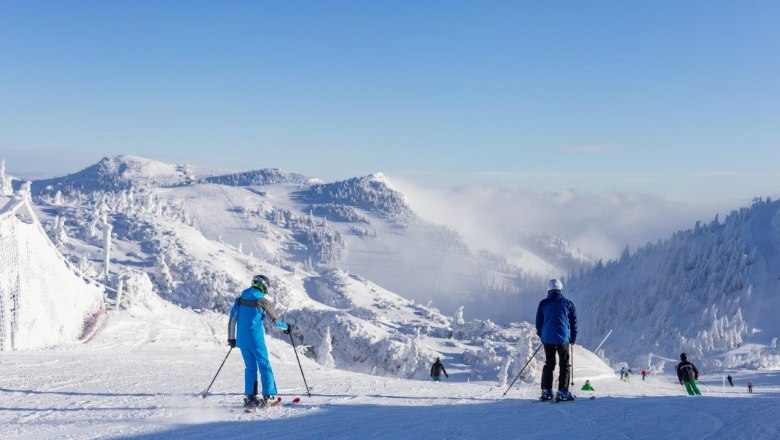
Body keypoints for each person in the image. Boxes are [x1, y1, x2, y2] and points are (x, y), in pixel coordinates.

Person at [228, 274, 292, 409]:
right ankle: (269, 397)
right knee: (265, 366)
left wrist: (231, 338)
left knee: (250, 367)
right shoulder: (263, 301)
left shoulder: (239, 300)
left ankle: (250, 397)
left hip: (242, 341)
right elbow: (276, 322)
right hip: (256, 340)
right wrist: (287, 327)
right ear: (264, 286)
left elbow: (232, 320)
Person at [536, 279, 577, 401]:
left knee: (549, 363)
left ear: (549, 290)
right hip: (563, 339)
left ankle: (546, 391)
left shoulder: (543, 303)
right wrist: (573, 337)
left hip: (547, 339)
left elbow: (539, 322)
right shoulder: (568, 303)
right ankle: (563, 392)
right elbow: (573, 322)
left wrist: (542, 336)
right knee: (564, 365)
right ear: (561, 289)